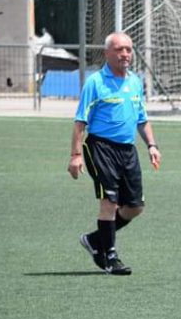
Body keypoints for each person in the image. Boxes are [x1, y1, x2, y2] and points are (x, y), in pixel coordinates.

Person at [69, 32, 161, 276]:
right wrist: (75, 155)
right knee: (109, 202)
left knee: (134, 207)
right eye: (119, 49)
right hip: (100, 148)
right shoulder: (95, 82)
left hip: (128, 150)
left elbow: (142, 118)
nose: (125, 54)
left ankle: (94, 239)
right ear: (107, 53)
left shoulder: (134, 82)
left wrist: (152, 145)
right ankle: (109, 256)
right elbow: (80, 122)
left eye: (128, 49)